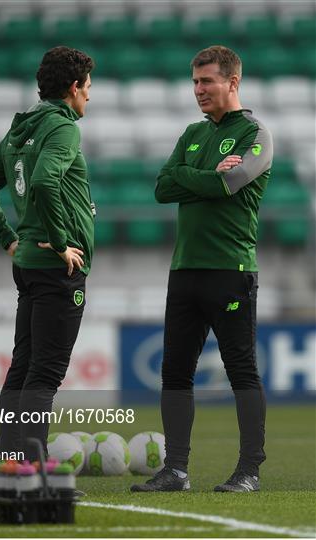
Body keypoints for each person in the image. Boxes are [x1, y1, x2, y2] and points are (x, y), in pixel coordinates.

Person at [131, 45, 273, 493]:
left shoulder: (256, 133)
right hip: (185, 269)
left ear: (232, 82)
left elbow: (228, 183)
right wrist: (207, 175)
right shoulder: (192, 131)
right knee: (174, 372)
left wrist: (195, 176)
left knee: (241, 372)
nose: (198, 90)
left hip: (230, 270)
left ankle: (249, 470)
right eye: (195, 82)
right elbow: (160, 186)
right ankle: (176, 469)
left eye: (207, 80)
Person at [0, 46, 94, 460]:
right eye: (88, 87)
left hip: (28, 266)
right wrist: (60, 242)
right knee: (46, 373)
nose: (89, 96)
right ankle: (34, 469)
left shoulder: (20, 128)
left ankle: (11, 461)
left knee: (23, 366)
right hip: (58, 267)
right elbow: (42, 182)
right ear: (73, 88)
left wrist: (8, 239)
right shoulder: (63, 127)